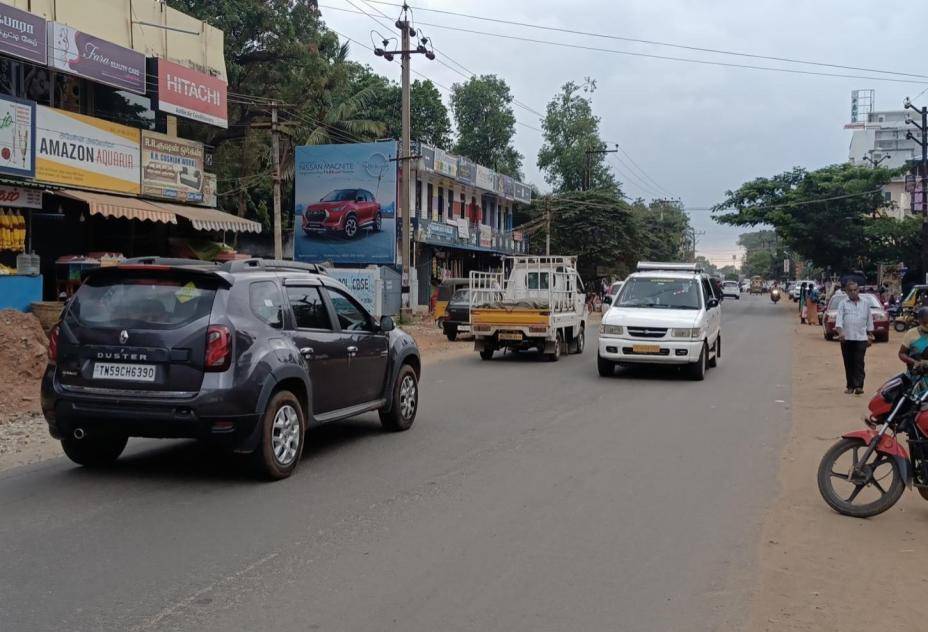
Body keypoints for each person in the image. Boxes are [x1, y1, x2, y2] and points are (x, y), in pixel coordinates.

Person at [835, 281, 875, 395]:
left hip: (861, 337)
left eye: (855, 290)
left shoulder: (865, 303)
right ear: (846, 292)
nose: (853, 292)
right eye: (850, 290)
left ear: (858, 290)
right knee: (848, 362)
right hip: (846, 338)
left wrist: (870, 335)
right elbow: (839, 320)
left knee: (859, 362)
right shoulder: (843, 303)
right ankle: (850, 386)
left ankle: (859, 386)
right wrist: (840, 332)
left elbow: (869, 320)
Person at [899, 307, 928, 375]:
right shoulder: (911, 334)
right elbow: (901, 353)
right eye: (925, 323)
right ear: (919, 320)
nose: (927, 325)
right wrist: (914, 362)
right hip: (916, 377)